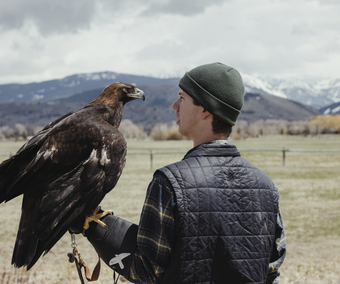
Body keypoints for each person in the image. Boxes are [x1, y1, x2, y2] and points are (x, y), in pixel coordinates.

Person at [74, 62, 286, 284]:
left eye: (182, 98)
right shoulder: (267, 187)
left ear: (205, 109)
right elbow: (271, 270)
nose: (174, 106)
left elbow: (146, 270)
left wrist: (95, 226)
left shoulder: (170, 183)